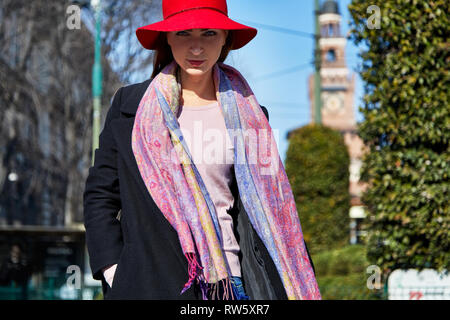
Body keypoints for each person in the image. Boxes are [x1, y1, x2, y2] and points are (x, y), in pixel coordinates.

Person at [83, 0, 321, 300]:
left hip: (231, 285)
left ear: (225, 39)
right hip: (149, 283)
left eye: (209, 33)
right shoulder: (131, 107)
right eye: (184, 33)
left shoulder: (252, 116)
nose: (196, 48)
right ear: (167, 38)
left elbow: (268, 209)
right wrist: (114, 270)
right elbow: (100, 196)